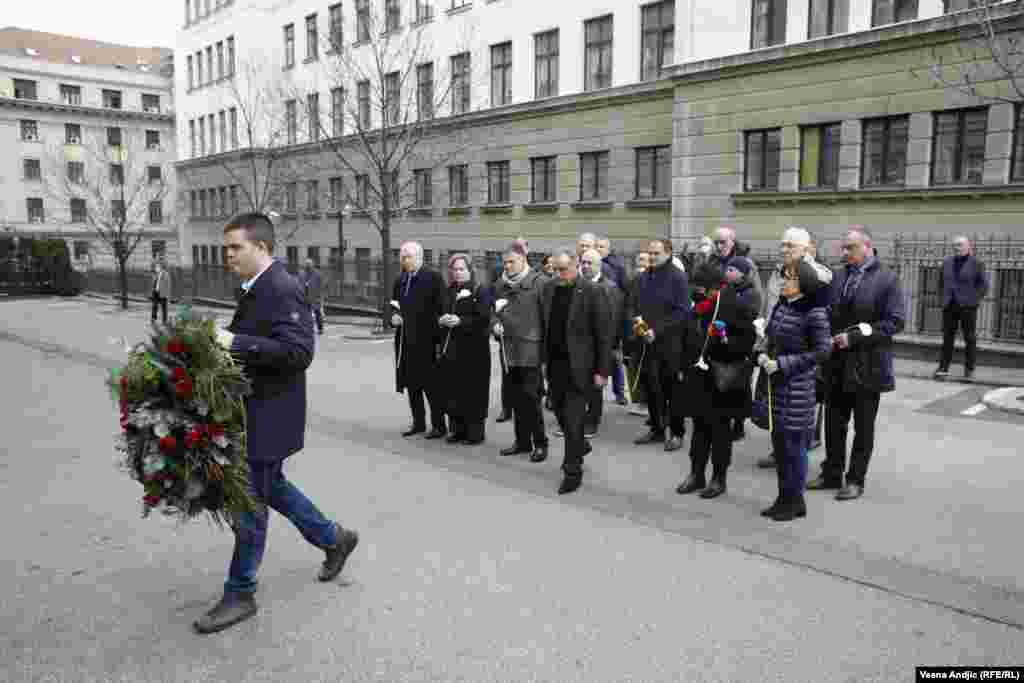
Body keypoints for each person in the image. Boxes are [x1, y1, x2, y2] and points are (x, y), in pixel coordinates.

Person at [195, 212, 359, 634]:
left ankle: (240, 592)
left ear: (262, 248)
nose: (227, 254)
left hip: (268, 418)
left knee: (250, 505)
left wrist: (236, 342)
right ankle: (334, 538)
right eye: (226, 247)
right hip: (252, 415)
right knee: (273, 489)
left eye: (236, 247)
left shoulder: (283, 288)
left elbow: (300, 352)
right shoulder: (256, 287)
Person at [810, 228, 906, 501]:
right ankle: (832, 473)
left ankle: (855, 480)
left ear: (867, 247)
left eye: (850, 248)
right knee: (833, 423)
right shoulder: (839, 276)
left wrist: (852, 338)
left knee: (863, 427)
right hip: (837, 364)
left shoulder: (887, 279)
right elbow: (829, 310)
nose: (844, 253)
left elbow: (895, 322)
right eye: (843, 248)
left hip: (868, 365)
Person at [757, 256, 832, 522]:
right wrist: (763, 351)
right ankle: (783, 498)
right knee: (780, 446)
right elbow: (771, 336)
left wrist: (783, 364)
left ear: (803, 283)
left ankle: (795, 500)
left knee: (793, 448)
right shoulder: (782, 306)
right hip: (777, 384)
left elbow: (823, 351)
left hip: (798, 387)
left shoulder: (815, 311)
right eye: (784, 277)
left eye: (789, 278)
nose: (784, 282)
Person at [674, 260, 756, 499]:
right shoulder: (698, 306)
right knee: (699, 429)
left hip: (723, 378)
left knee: (720, 432)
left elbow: (746, 343)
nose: (697, 293)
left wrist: (724, 339)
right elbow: (687, 335)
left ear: (714, 287)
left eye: (702, 289)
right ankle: (696, 474)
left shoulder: (735, 305)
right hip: (698, 377)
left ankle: (719, 478)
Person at [540, 247, 612, 495]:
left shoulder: (592, 291)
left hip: (580, 367)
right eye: (555, 269)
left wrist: (602, 370)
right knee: (559, 414)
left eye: (564, 269)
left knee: (572, 419)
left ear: (576, 266)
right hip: (555, 365)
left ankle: (573, 471)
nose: (559, 274)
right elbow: (544, 324)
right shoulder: (549, 289)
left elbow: (603, 334)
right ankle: (579, 444)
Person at [631, 238, 690, 452]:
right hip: (646, 342)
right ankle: (657, 428)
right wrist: (637, 323)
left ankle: (676, 432)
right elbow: (633, 304)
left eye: (657, 253)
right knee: (652, 388)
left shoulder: (678, 277)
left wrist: (658, 330)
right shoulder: (642, 277)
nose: (653, 257)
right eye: (651, 253)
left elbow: (683, 311)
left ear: (668, 253)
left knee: (672, 390)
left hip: (670, 344)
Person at [493, 242, 549, 462]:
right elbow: (493, 312)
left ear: (523, 260)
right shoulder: (500, 285)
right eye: (505, 262)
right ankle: (522, 442)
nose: (507, 266)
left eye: (511, 262)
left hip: (531, 349)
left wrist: (546, 353)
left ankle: (540, 443)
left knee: (531, 398)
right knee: (516, 398)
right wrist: (494, 325)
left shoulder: (540, 283)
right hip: (508, 350)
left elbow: (547, 318)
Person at [392, 241, 448, 439]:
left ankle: (439, 425)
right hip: (406, 341)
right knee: (412, 385)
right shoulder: (401, 279)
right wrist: (394, 317)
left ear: (419, 257)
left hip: (427, 341)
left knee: (431, 387)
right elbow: (394, 305)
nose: (405, 260)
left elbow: (442, 307)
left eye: (408, 256)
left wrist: (438, 339)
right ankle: (418, 422)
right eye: (402, 257)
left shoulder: (433, 277)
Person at [712, 226, 763, 442]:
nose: (718, 246)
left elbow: (753, 308)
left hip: (742, 338)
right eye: (716, 242)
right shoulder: (715, 266)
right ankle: (723, 416)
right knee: (722, 378)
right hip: (722, 335)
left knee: (740, 380)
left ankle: (739, 422)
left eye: (722, 242)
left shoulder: (749, 279)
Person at [438, 253, 493, 445]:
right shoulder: (449, 290)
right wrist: (442, 319)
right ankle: (456, 429)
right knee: (453, 389)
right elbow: (440, 311)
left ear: (470, 270)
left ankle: (474, 432)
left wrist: (461, 321)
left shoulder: (480, 290)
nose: (457, 273)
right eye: (454, 269)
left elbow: (484, 318)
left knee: (473, 391)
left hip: (474, 350)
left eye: (462, 269)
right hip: (452, 349)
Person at [580, 248, 624, 437]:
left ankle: (592, 421)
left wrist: (612, 347)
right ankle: (577, 419)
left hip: (600, 343)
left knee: (595, 385)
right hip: (579, 343)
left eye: (590, 263)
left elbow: (614, 319)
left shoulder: (609, 287)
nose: (586, 266)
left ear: (599, 265)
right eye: (583, 262)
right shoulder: (577, 284)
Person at [934, 235, 989, 381]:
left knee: (969, 338)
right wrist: (942, 298)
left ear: (968, 246)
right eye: (954, 245)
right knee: (947, 338)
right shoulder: (947, 262)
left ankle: (969, 369)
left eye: (959, 245)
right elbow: (940, 283)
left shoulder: (976, 263)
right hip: (949, 305)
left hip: (967, 306)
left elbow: (983, 285)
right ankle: (943, 368)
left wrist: (974, 300)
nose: (956, 248)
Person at [597, 236, 629, 405]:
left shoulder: (617, 266)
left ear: (609, 249)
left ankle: (619, 392)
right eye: (597, 246)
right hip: (598, 316)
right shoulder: (591, 263)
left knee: (615, 358)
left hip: (614, 316)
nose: (598, 249)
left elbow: (625, 290)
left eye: (601, 246)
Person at [624, 250, 651, 417]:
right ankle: (638, 399)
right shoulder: (633, 279)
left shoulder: (647, 280)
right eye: (638, 259)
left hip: (645, 327)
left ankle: (644, 401)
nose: (640, 263)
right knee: (633, 366)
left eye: (644, 260)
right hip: (633, 328)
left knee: (643, 366)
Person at [300, 259, 325, 335]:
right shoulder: (303, 274)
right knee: (305, 315)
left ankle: (320, 328)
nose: (307, 266)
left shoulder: (317, 274)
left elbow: (321, 287)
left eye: (309, 265)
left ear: (312, 265)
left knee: (317, 314)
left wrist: (320, 297)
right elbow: (301, 284)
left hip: (315, 297)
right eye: (306, 265)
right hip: (305, 297)